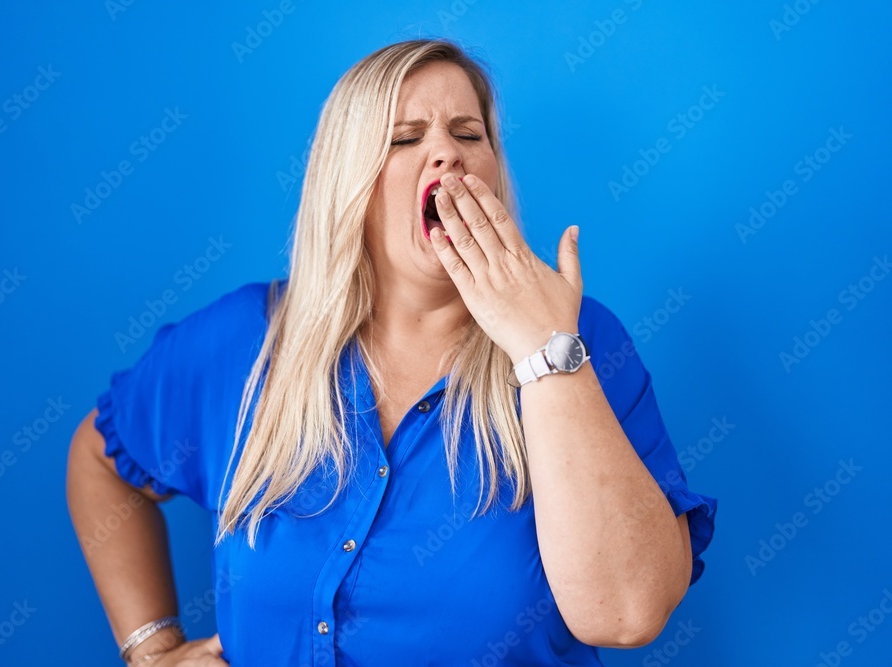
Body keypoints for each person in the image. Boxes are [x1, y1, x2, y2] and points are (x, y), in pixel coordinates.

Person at [66, 38, 717, 666]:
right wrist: (150, 647)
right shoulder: (243, 342)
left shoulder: (582, 340)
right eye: (404, 138)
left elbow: (629, 612)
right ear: (346, 182)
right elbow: (99, 455)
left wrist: (545, 352)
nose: (446, 154)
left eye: (468, 134)